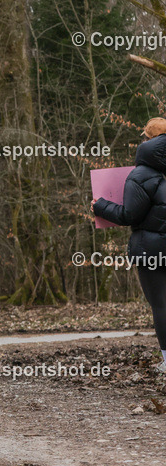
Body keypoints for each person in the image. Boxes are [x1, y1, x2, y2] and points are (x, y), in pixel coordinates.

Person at [93, 117, 166, 374]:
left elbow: (129, 216)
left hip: (151, 251)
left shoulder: (140, 174)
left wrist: (101, 206)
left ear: (148, 141)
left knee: (160, 304)